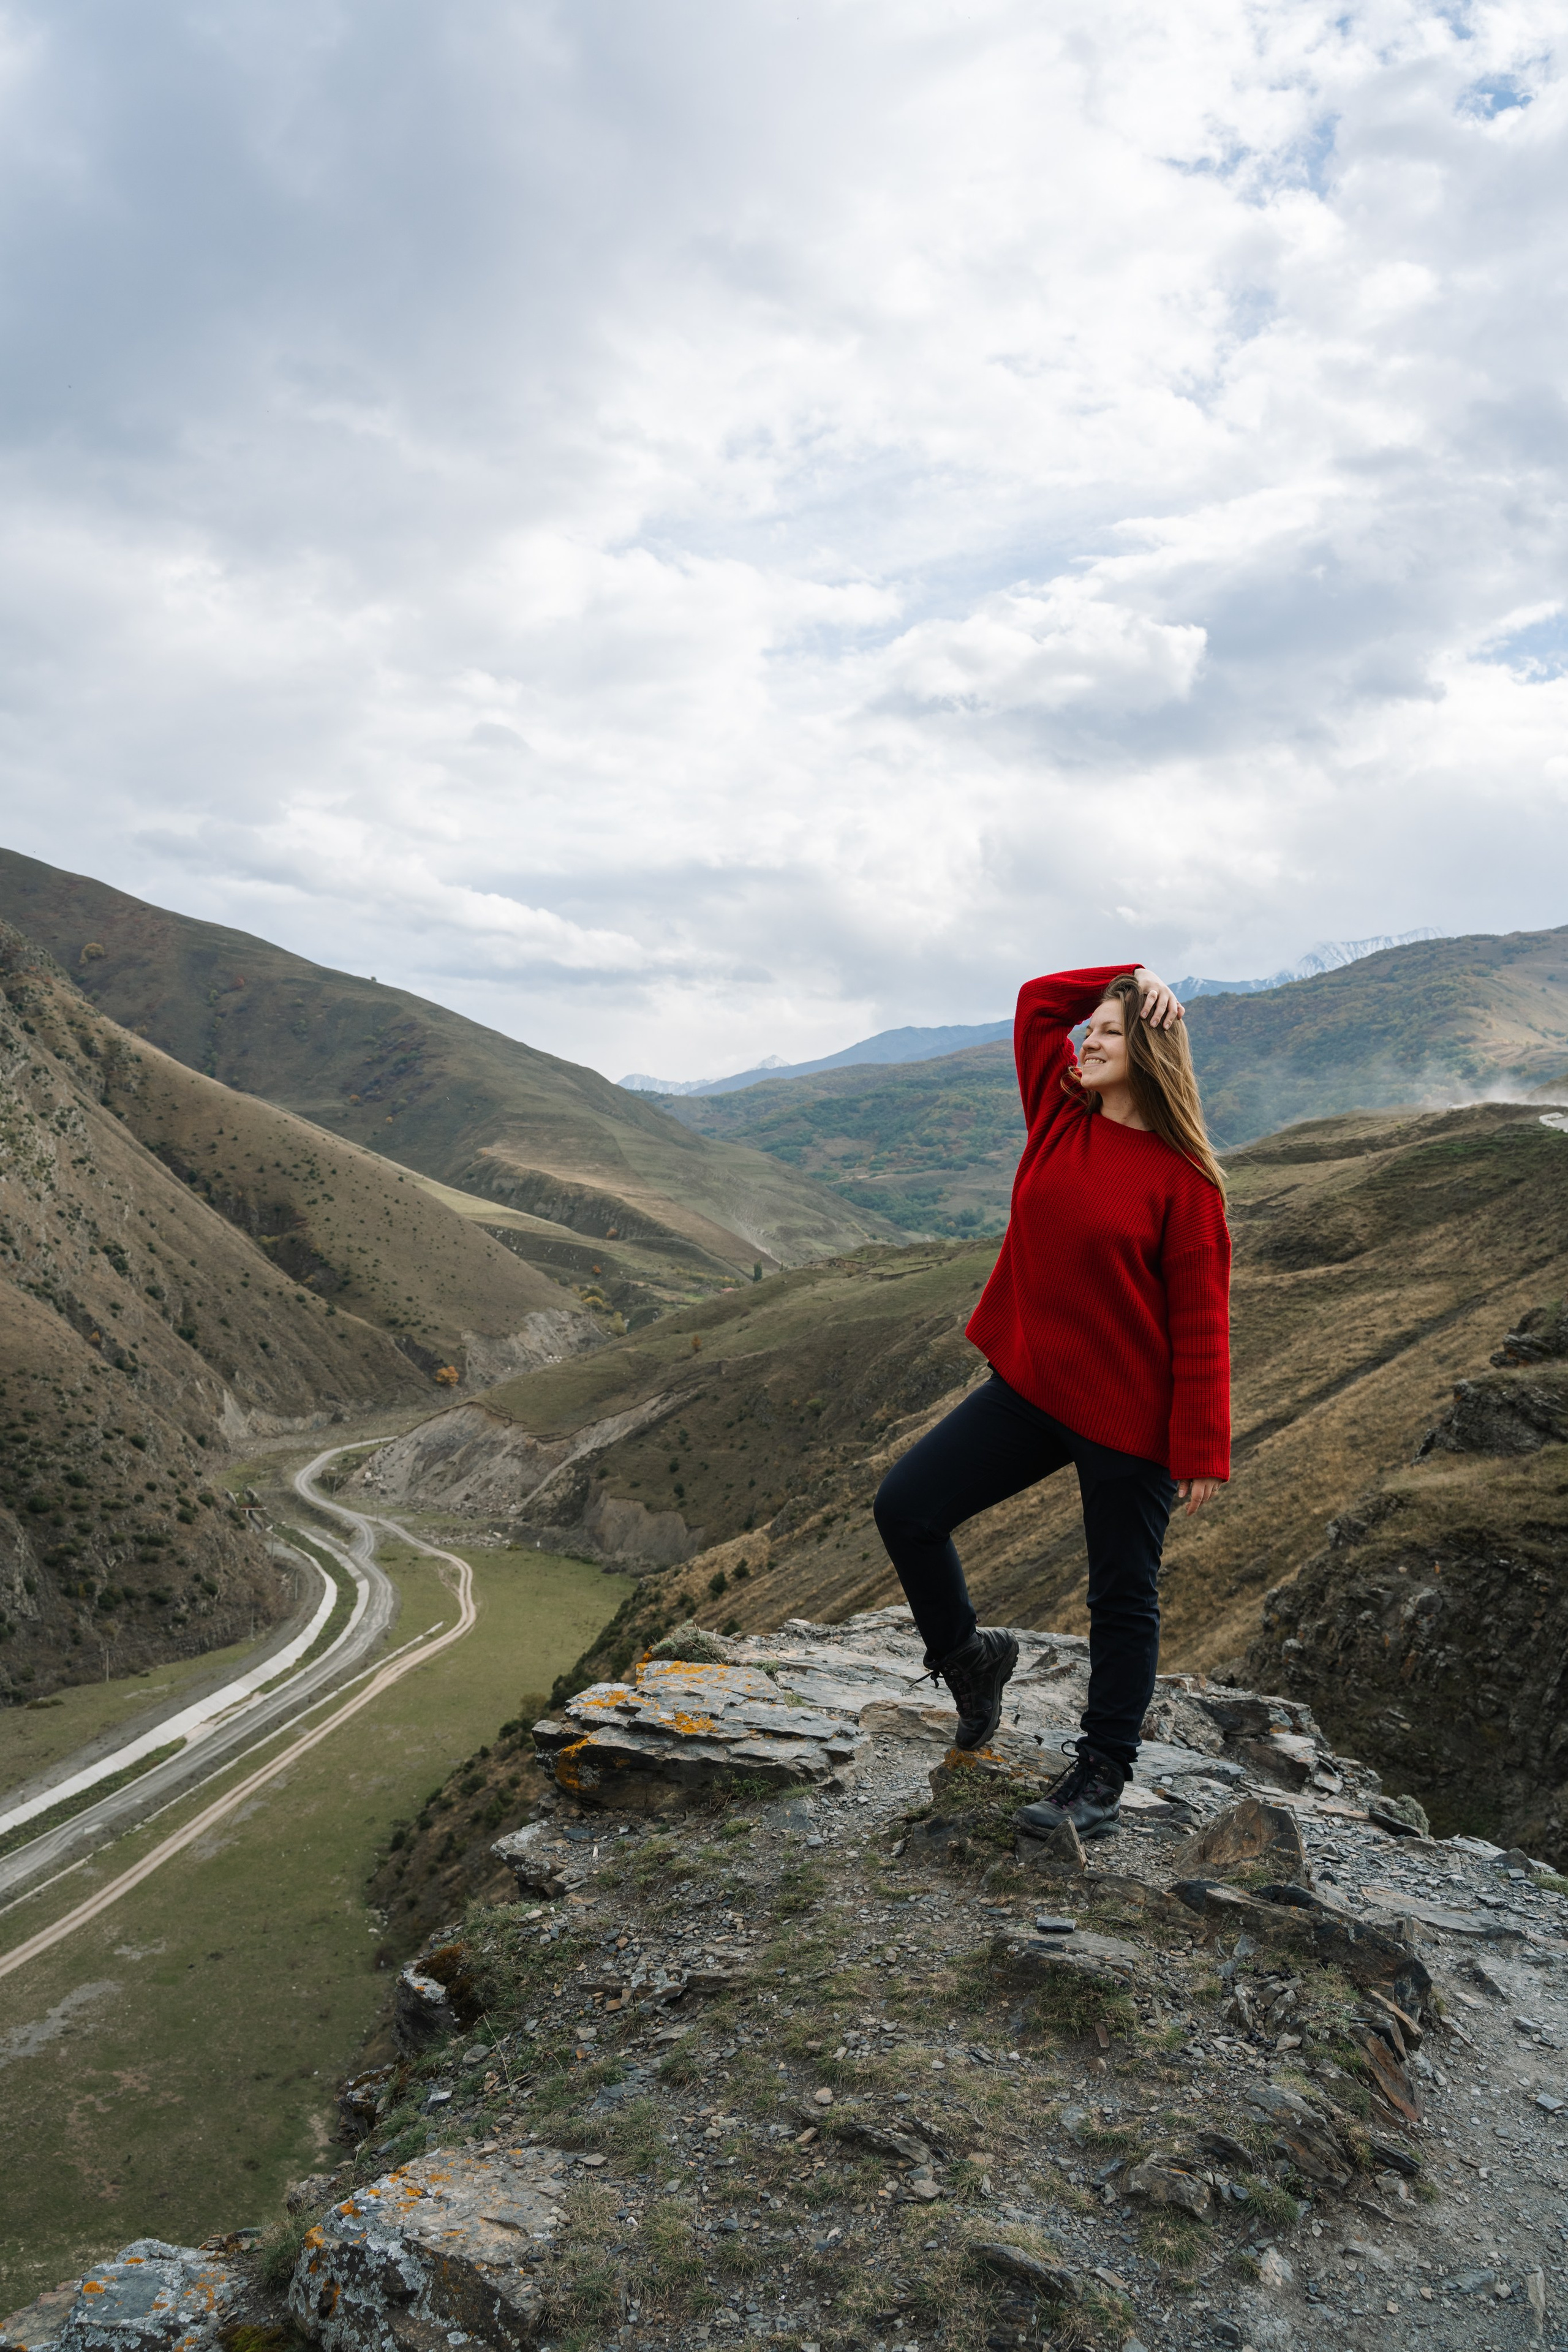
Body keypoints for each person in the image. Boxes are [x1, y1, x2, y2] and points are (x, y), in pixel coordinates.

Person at [872, 964, 1231, 1842]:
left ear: (1148, 1051)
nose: (1088, 1042)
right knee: (908, 1507)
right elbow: (1038, 1003)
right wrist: (1131, 976)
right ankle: (970, 1659)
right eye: (1091, 1029)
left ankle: (1101, 1775)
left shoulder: (1187, 1184)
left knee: (1121, 1597)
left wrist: (1201, 1446)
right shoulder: (1060, 1115)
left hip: (1131, 1419)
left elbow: (1201, 1320)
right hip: (1034, 1390)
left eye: (1110, 1031)